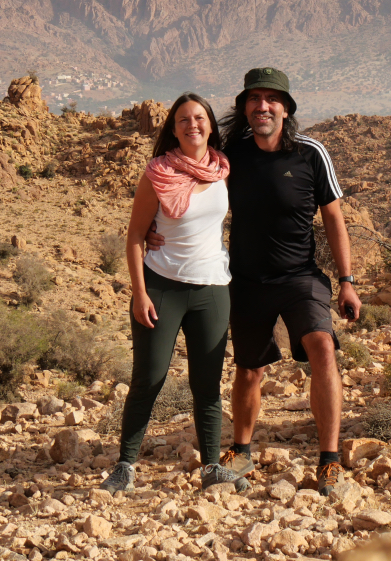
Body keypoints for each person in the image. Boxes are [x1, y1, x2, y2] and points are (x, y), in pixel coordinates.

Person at [149, 67, 362, 496]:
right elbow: (182, 176)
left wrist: (347, 280)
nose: (262, 106)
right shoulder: (232, 154)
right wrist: (156, 229)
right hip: (245, 279)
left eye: (271, 99)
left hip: (300, 275)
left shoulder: (310, 153)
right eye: (253, 99)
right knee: (249, 369)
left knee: (321, 346)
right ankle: (241, 449)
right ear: (245, 108)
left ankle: (329, 460)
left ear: (286, 108)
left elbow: (334, 218)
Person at [99, 92, 245, 495]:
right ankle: (126, 465)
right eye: (183, 119)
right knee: (148, 378)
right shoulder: (158, 173)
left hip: (212, 287)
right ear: (173, 129)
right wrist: (140, 294)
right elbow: (133, 236)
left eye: (199, 118)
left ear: (211, 125)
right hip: (162, 286)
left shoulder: (223, 169)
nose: (192, 125)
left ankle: (212, 465)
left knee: (207, 383)